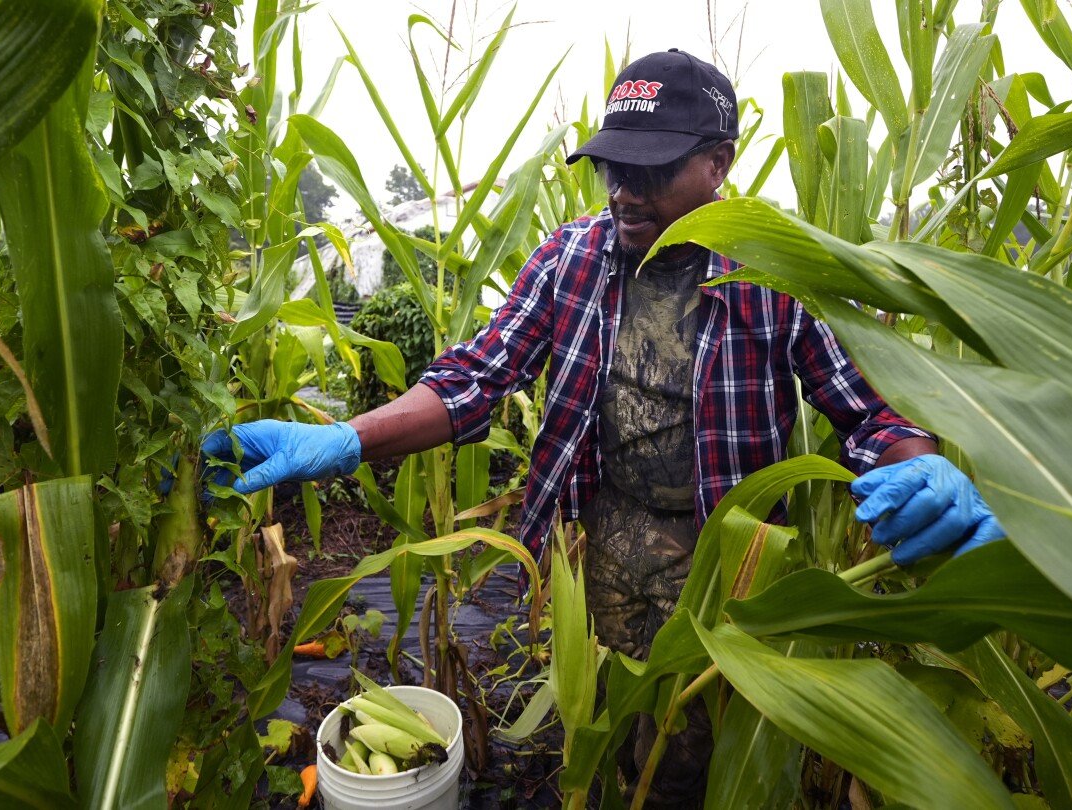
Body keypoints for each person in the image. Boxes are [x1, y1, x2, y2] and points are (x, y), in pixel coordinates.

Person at [204, 49, 1003, 807]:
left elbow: (871, 408)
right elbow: (477, 379)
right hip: (600, 544)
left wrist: (920, 463)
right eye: (615, 166)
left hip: (728, 557)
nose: (623, 190)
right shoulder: (572, 258)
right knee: (606, 724)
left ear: (719, 163)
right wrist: (347, 439)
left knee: (700, 742)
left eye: (651, 169)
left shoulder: (776, 272)